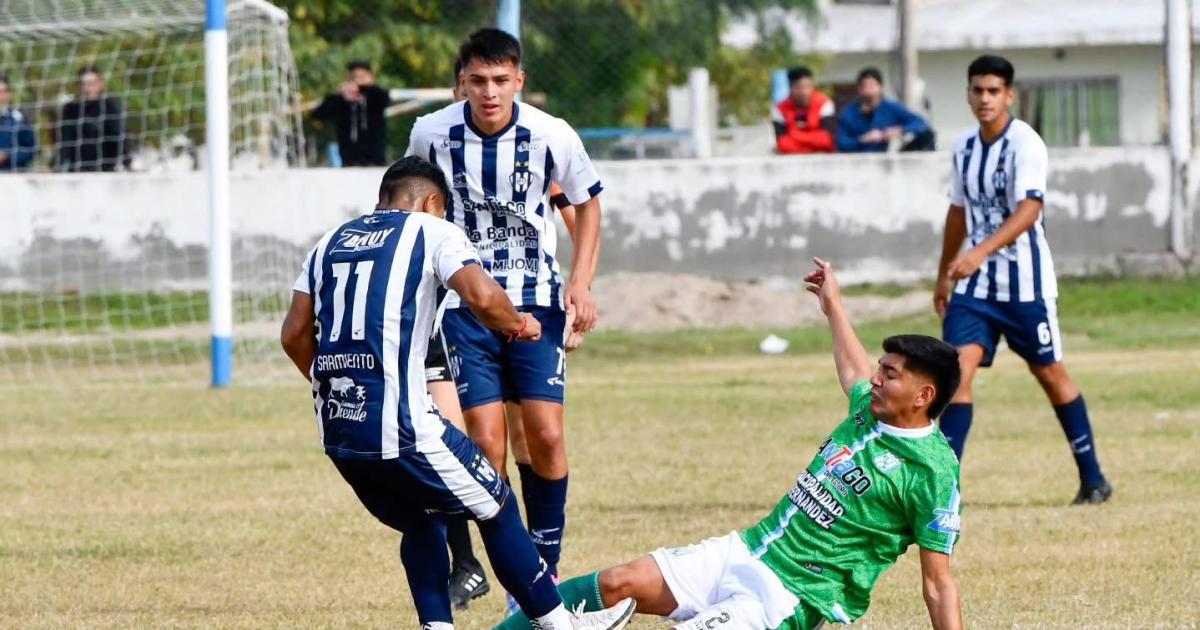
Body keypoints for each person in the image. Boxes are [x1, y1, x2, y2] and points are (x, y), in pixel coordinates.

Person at [495, 257, 965, 630]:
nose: (876, 379)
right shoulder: (870, 407)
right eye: (880, 368)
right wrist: (833, 305)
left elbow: (938, 583)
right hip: (745, 549)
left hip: (787, 595)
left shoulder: (933, 471)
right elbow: (852, 369)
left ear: (924, 396)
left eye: (890, 374)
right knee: (617, 583)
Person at [280, 156, 634, 630]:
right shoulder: (431, 231)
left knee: (423, 519)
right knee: (498, 503)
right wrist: (519, 323)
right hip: (405, 426)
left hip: (341, 433)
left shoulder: (328, 243)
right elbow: (483, 296)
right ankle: (560, 625)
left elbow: (293, 335)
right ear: (431, 203)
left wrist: (336, 389)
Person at [405, 28, 603, 592]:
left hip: (537, 299)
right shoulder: (430, 133)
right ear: (460, 83)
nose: (489, 92)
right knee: (486, 443)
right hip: (463, 304)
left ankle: (545, 560)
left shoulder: (552, 135)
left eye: (500, 80)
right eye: (477, 81)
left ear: (519, 80)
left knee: (543, 434)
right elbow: (415, 203)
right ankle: (509, 566)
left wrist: (582, 284)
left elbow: (588, 209)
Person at [934, 55, 1112, 504]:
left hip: (1025, 285)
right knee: (955, 373)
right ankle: (944, 489)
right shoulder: (963, 148)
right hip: (974, 288)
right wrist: (943, 275)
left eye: (993, 90)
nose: (984, 98)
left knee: (1049, 372)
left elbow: (1030, 210)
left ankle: (1093, 479)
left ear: (1009, 95)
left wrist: (978, 251)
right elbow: (957, 211)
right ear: (968, 94)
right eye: (977, 90)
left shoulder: (1026, 144)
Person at [835, 67, 934, 153]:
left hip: (884, 160)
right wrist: (863, 139)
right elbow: (841, 143)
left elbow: (920, 123)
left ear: (881, 87)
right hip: (857, 161)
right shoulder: (849, 113)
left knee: (927, 136)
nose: (870, 91)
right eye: (866, 87)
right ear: (859, 89)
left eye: (873, 86)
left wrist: (899, 130)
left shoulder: (890, 108)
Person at [311, 60, 391, 167]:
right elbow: (318, 115)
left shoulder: (376, 96)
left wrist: (365, 88)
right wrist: (339, 95)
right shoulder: (341, 102)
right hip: (349, 161)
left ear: (370, 77)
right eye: (354, 78)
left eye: (362, 77)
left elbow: (383, 98)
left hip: (376, 160)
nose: (357, 82)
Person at [57, 66, 129, 172]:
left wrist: (127, 163)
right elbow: (66, 142)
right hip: (78, 168)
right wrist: (54, 166)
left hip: (106, 169)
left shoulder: (111, 106)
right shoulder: (71, 108)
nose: (87, 89)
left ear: (101, 84)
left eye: (91, 84)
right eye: (83, 84)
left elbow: (120, 137)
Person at [771, 66, 834, 154]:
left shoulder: (824, 103)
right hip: (792, 161)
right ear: (790, 88)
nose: (804, 92)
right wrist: (813, 143)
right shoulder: (780, 109)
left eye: (808, 86)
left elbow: (826, 140)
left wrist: (794, 135)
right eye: (799, 87)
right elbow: (782, 144)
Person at [0, 73, 37, 172]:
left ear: (9, 93)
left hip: (13, 178)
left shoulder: (19, 119)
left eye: (3, 91)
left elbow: (32, 150)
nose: (1, 96)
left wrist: (6, 156)